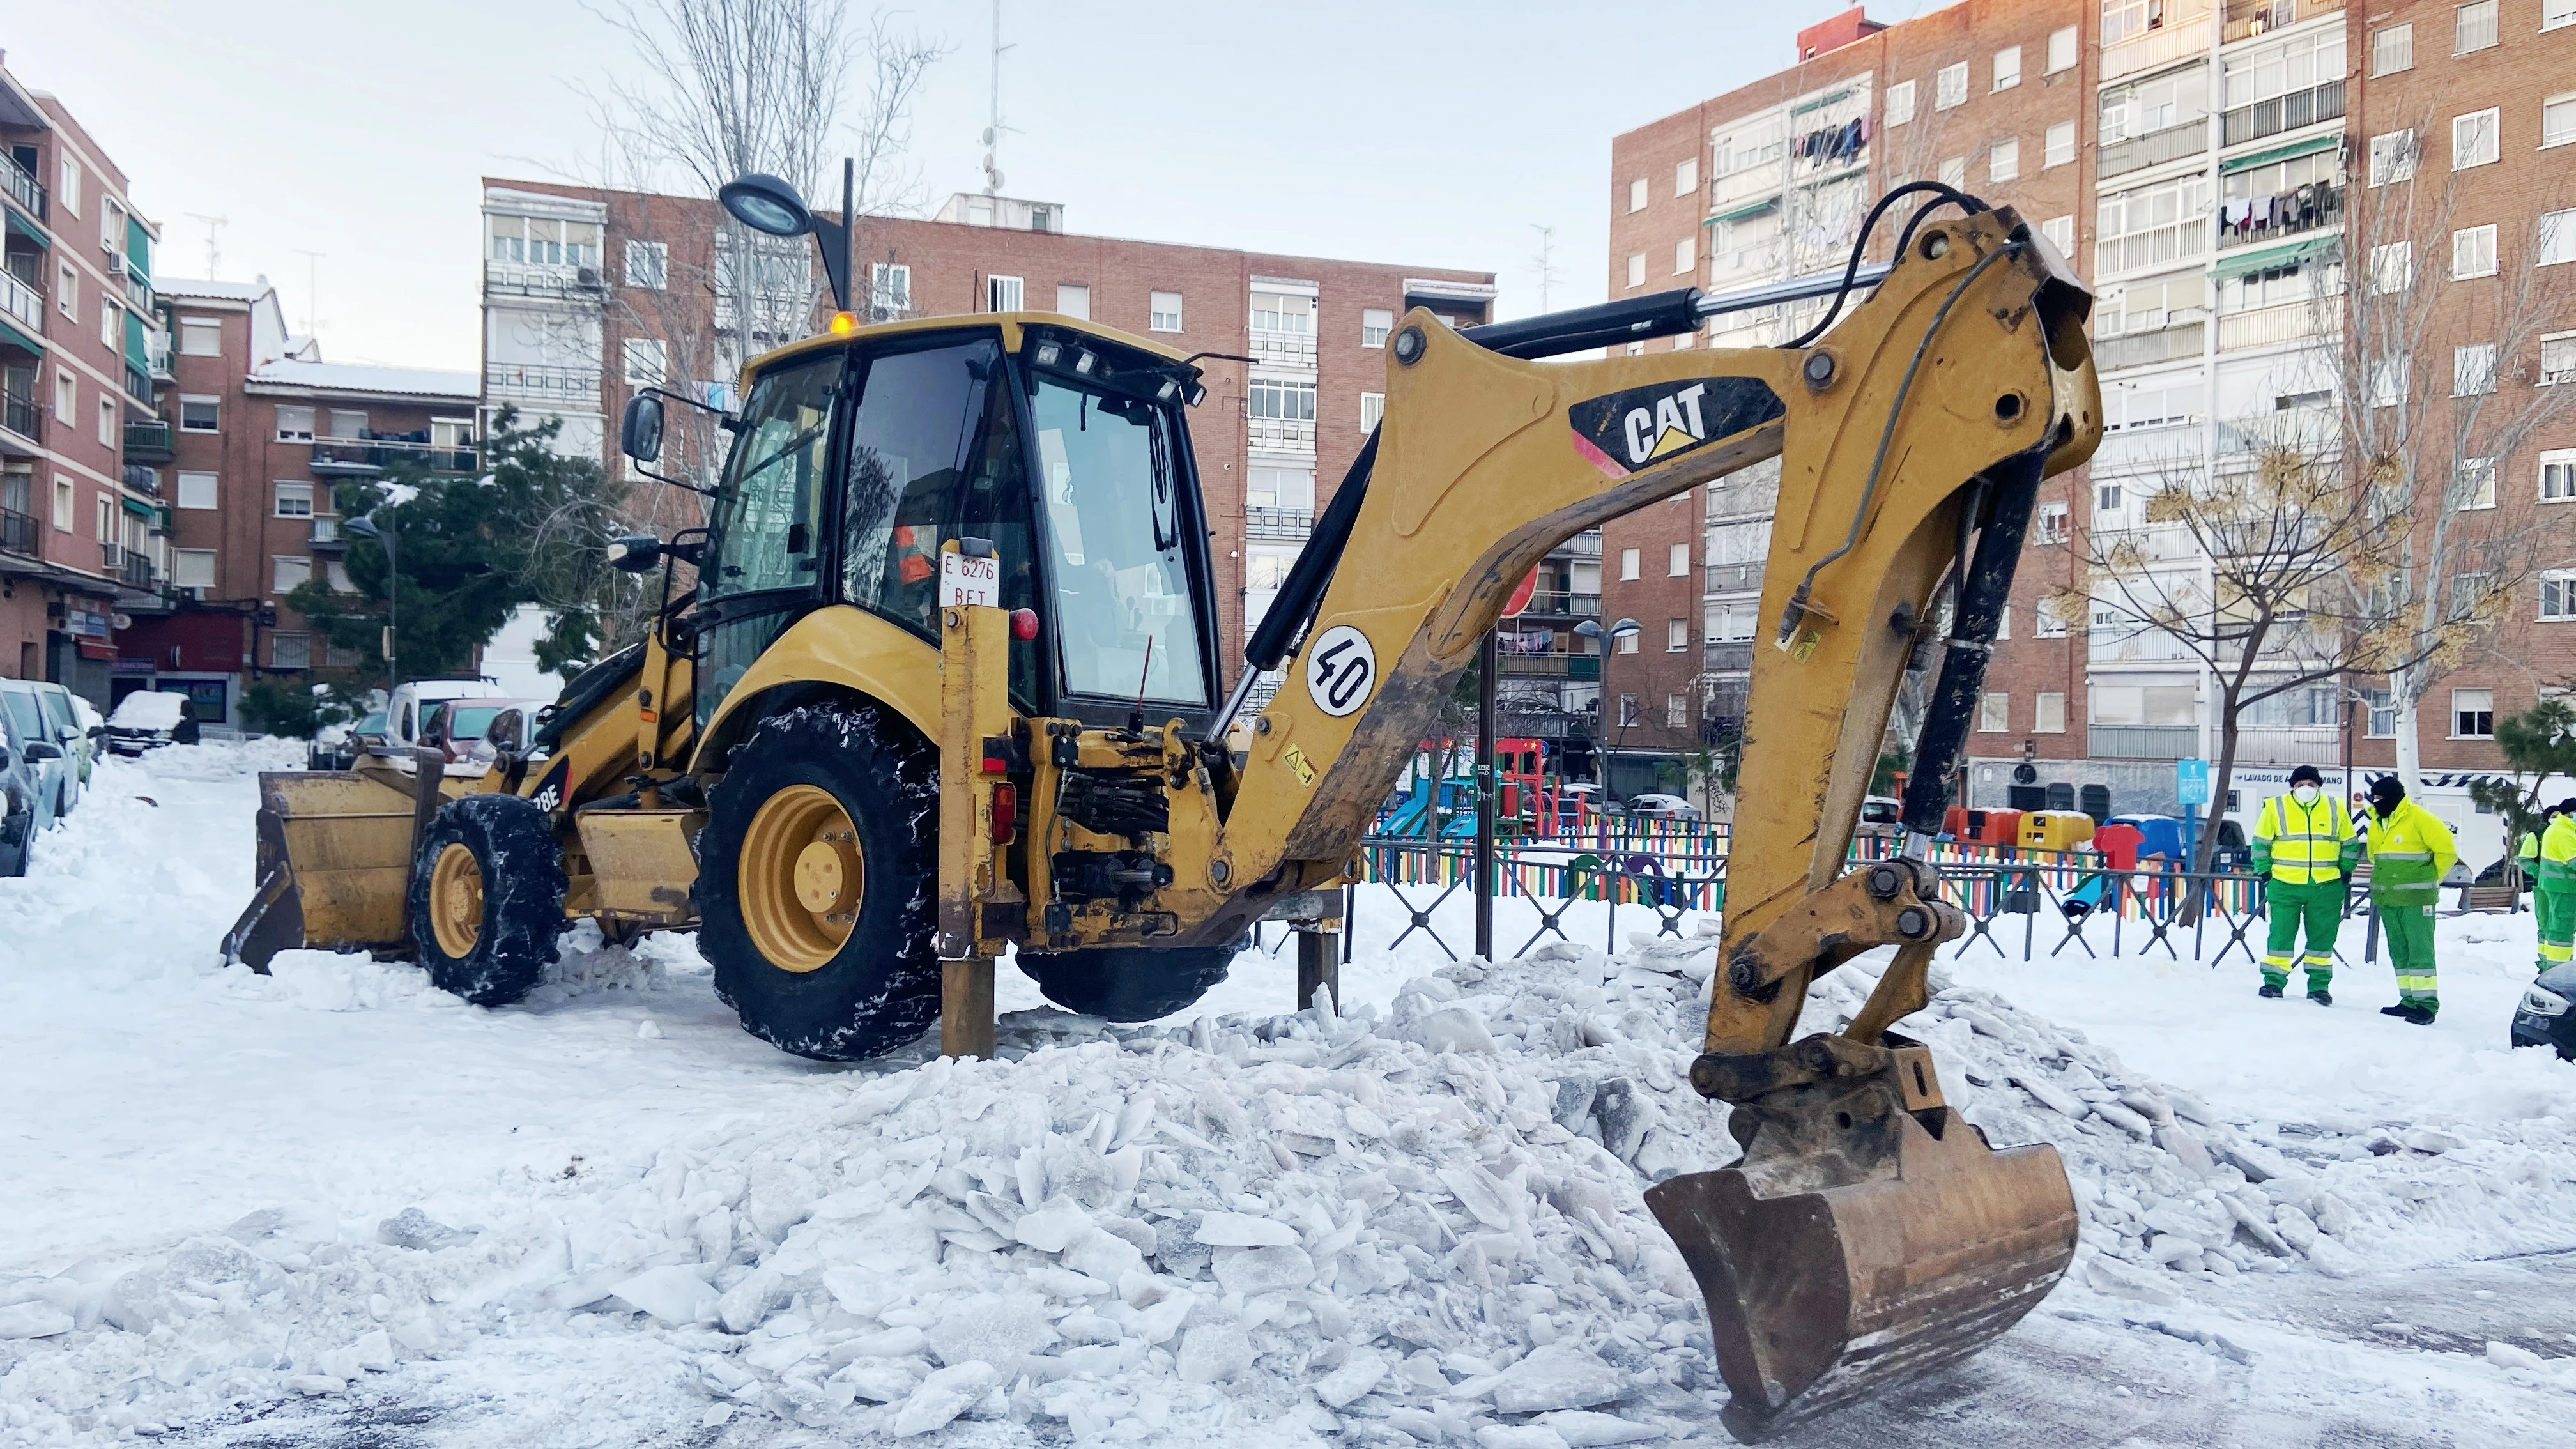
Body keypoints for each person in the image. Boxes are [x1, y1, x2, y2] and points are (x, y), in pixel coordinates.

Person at [2251, 765, 2361, 1004]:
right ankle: (2273, 983)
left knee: (2322, 940)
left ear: (2319, 785)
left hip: (2326, 885)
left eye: (2311, 784)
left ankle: (2319, 987)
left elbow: (2351, 844)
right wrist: (2265, 873)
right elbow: (2260, 843)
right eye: (2300, 784)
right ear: (2292, 786)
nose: (2305, 788)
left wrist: (2345, 871)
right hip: (2284, 884)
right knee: (2280, 936)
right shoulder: (2275, 807)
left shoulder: (2335, 807)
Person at [2363, 776, 2457, 1025]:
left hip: (2417, 899)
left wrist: (2428, 878)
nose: (2378, 802)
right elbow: (2376, 856)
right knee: (2400, 952)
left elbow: (2447, 852)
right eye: (2375, 798)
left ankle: (2426, 1005)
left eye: (2382, 798)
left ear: (2396, 797)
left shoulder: (2419, 818)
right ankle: (2408, 1000)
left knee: (2420, 951)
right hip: (2389, 898)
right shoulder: (2377, 821)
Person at [2538, 798, 2576, 976]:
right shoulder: (2563, 833)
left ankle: (2553, 967)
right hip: (2564, 888)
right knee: (2562, 929)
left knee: (2558, 927)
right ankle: (2558, 970)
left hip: (2561, 887)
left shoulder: (2563, 829)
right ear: (2571, 814)